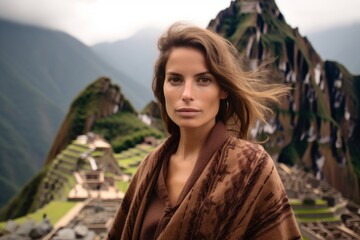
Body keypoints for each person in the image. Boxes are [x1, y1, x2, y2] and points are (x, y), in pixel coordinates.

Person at [107, 23, 301, 240]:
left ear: (223, 89)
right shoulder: (149, 168)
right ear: (162, 88)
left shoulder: (252, 169)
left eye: (203, 80)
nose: (187, 94)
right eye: (176, 80)